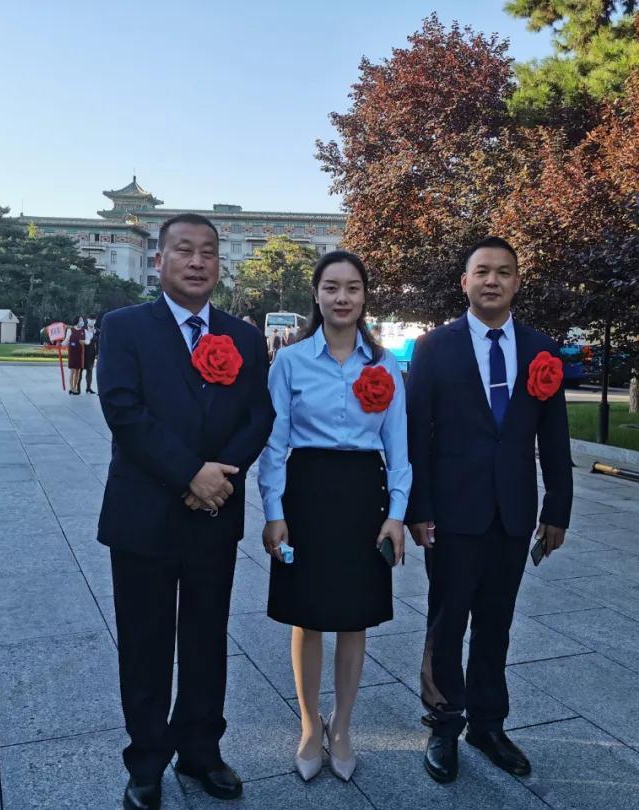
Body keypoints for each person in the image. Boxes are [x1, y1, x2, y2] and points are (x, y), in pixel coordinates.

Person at [96, 213, 275, 809]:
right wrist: (189, 473)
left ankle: (201, 750)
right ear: (160, 260)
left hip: (213, 514)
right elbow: (124, 410)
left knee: (206, 638)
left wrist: (219, 476)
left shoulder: (244, 336)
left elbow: (259, 415)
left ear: (220, 264)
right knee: (144, 642)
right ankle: (146, 761)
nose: (197, 262)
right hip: (143, 515)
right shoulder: (124, 327)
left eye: (208, 252)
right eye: (184, 250)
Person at [405, 236, 573, 784]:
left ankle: (487, 723)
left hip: (513, 511)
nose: (492, 280)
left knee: (497, 622)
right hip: (452, 512)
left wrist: (558, 508)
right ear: (465, 282)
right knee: (447, 620)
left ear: (517, 281)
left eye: (503, 271)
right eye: (482, 271)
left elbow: (554, 437)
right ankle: (443, 723)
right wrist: (417, 508)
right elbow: (417, 435)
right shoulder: (434, 347)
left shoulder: (541, 349)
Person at [259, 251, 410, 783]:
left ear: (365, 296)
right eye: (331, 287)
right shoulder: (290, 362)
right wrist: (273, 511)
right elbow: (273, 445)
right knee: (306, 613)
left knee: (354, 615)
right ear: (316, 294)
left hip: (364, 495)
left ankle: (341, 725)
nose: (342, 297)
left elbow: (399, 449)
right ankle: (308, 724)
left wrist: (397, 515)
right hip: (307, 491)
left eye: (352, 288)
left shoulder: (385, 364)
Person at [65, 316, 86, 395]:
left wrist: (84, 342)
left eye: (82, 320)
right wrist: (61, 344)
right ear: (77, 321)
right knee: (72, 371)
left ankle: (75, 387)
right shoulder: (70, 330)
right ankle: (71, 388)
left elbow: (86, 340)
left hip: (79, 353)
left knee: (78, 371)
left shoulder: (83, 330)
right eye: (81, 320)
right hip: (72, 352)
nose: (82, 322)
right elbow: (67, 340)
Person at [83, 314, 99, 394]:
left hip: (91, 353)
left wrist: (97, 353)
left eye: (94, 320)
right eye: (90, 319)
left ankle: (88, 387)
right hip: (82, 352)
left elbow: (99, 343)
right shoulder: (82, 329)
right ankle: (75, 387)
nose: (92, 321)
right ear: (87, 320)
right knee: (78, 370)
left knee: (89, 370)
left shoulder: (97, 331)